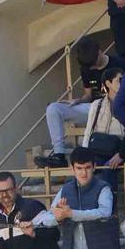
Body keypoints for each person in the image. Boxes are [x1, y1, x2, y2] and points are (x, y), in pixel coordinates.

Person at [35, 148, 118, 249]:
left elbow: (104, 212)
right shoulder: (65, 190)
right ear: (72, 168)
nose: (84, 173)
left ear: (94, 167)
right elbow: (49, 217)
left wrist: (71, 214)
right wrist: (58, 217)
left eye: (87, 167)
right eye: (79, 168)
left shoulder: (103, 188)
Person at [36, 36, 112, 168]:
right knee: (53, 108)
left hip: (111, 109)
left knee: (95, 107)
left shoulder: (118, 64)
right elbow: (89, 95)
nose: (92, 67)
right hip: (91, 108)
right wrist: (78, 100)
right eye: (90, 66)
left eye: (94, 63)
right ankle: (59, 155)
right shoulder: (86, 67)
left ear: (100, 52)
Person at [0, 171, 64, 249]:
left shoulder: (32, 207)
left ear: (16, 189)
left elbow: (55, 234)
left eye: (8, 190)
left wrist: (34, 233)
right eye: (0, 191)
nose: (4, 195)